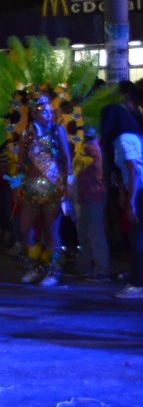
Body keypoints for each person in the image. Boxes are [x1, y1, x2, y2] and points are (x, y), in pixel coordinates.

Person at [11, 94, 72, 287]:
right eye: (41, 110)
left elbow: (66, 158)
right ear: (33, 114)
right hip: (30, 188)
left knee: (51, 229)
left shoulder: (57, 131)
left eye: (49, 110)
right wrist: (16, 186)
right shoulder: (26, 134)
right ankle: (35, 266)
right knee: (25, 229)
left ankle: (53, 270)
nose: (46, 113)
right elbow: (20, 163)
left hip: (53, 188)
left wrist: (67, 184)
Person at [102, 104, 143, 299]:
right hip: (136, 190)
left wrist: (132, 201)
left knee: (137, 239)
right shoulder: (134, 136)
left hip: (140, 191)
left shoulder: (123, 139)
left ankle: (137, 283)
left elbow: (134, 170)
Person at [73, 127, 110, 281]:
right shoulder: (93, 147)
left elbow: (76, 165)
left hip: (94, 195)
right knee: (85, 233)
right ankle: (84, 268)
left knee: (94, 233)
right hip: (89, 196)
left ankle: (102, 271)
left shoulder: (91, 148)